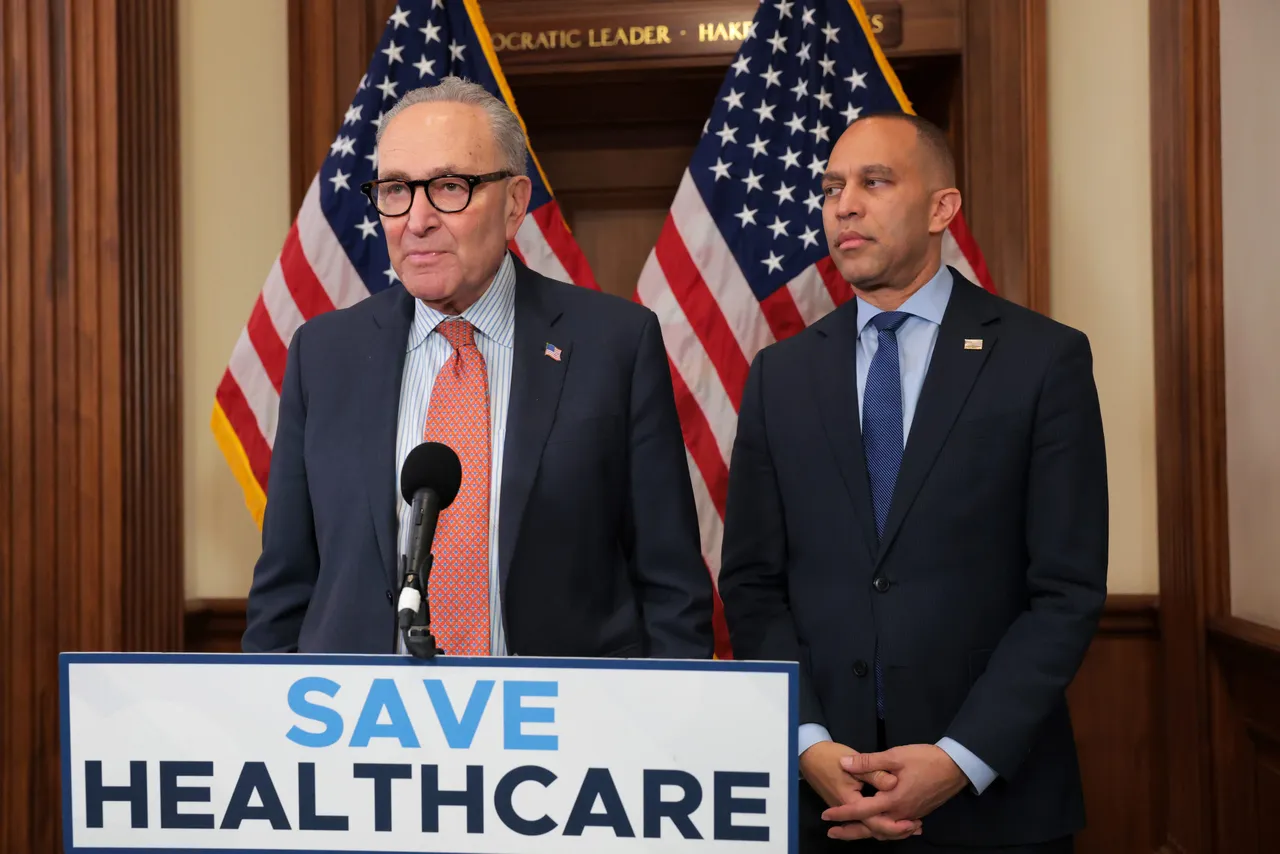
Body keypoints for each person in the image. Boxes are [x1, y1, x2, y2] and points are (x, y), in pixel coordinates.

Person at [718, 112, 1108, 852]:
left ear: (941, 209)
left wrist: (960, 759)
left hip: (995, 805)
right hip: (823, 799)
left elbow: (1066, 590)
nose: (844, 205)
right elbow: (752, 584)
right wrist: (806, 741)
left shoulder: (1041, 360)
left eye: (874, 181)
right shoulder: (781, 376)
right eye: (832, 187)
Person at [242, 77, 715, 661]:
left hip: (560, 727)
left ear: (515, 203)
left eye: (448, 187)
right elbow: (284, 589)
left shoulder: (615, 344)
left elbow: (670, 586)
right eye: (395, 190)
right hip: (363, 728)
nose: (416, 219)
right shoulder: (324, 354)